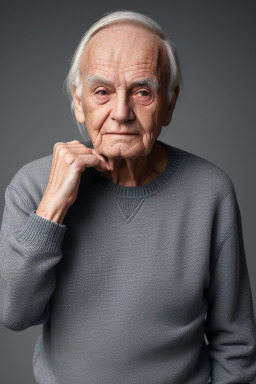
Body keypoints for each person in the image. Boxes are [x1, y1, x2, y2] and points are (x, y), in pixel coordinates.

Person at [0, 9, 256, 384]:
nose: (121, 113)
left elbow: (235, 343)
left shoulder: (210, 191)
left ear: (169, 104)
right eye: (102, 92)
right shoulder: (35, 184)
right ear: (78, 102)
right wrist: (52, 208)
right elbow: (14, 313)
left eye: (142, 92)